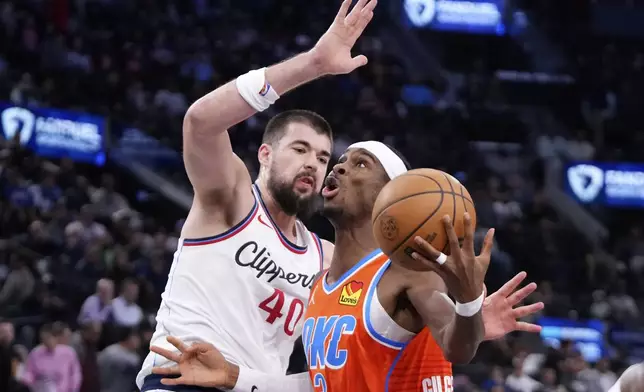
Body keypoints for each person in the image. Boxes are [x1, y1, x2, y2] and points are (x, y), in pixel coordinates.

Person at [148, 142, 545, 392]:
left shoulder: (408, 272)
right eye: (340, 161)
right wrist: (232, 377)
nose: (337, 168)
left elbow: (458, 347)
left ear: (393, 196)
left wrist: (467, 302)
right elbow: (320, 384)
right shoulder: (320, 286)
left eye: (360, 165)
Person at [136, 0, 379, 390]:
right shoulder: (231, 199)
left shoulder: (327, 258)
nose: (314, 165)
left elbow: (390, 309)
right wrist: (313, 64)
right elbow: (199, 123)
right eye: (299, 150)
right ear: (264, 154)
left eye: (321, 157)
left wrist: (466, 316)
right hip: (182, 380)